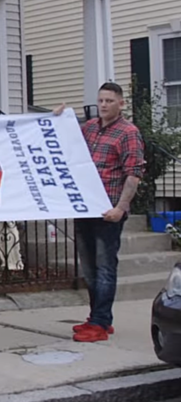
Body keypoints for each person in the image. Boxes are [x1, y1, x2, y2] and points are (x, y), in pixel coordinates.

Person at [54, 81, 145, 343]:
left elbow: (133, 174)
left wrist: (120, 208)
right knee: (90, 268)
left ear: (121, 103)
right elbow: (66, 138)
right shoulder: (90, 128)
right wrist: (57, 117)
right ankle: (99, 317)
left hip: (108, 211)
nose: (104, 105)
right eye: (101, 100)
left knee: (105, 267)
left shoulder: (128, 133)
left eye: (109, 101)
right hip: (85, 208)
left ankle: (100, 324)